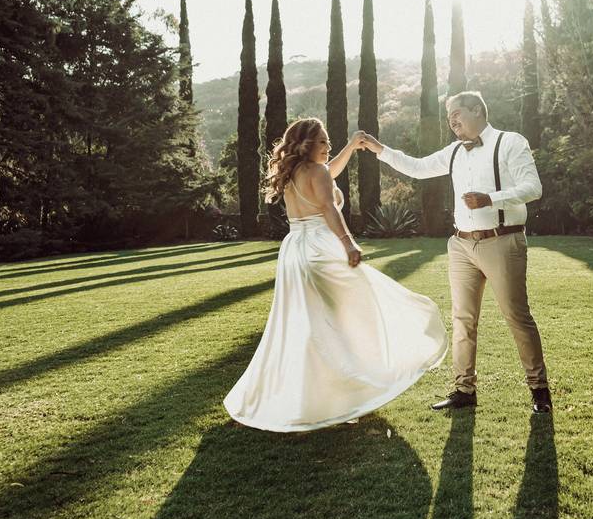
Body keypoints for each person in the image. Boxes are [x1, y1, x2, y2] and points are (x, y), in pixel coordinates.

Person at [223, 118, 447, 432]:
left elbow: (329, 171)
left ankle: (321, 395)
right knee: (353, 315)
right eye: (323, 143)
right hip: (321, 248)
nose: (328, 148)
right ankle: (349, 390)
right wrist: (348, 243)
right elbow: (329, 207)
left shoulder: (294, 172)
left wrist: (351, 147)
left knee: (312, 323)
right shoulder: (317, 172)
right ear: (306, 145)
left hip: (295, 250)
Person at [358, 91, 552, 413]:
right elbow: (418, 168)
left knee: (517, 316)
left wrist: (491, 199)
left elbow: (533, 188)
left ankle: (539, 390)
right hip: (461, 245)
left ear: (478, 110)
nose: (452, 122)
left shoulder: (510, 142)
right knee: (463, 320)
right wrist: (380, 150)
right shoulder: (453, 152)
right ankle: (464, 389)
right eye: (449, 118)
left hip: (502, 241)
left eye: (456, 114)